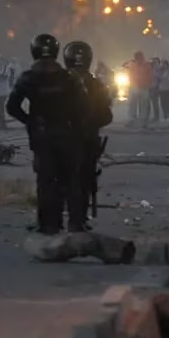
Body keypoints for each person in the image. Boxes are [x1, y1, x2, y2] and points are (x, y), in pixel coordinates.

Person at [7, 34, 87, 234]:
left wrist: (31, 121)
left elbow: (12, 107)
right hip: (67, 133)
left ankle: (48, 224)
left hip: (42, 135)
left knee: (45, 181)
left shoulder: (28, 78)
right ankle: (76, 223)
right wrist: (76, 126)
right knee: (70, 180)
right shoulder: (70, 78)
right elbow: (83, 106)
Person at [63, 41, 113, 226]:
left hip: (63, 140)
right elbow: (107, 115)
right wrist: (91, 124)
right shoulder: (97, 85)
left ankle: (55, 221)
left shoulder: (58, 82)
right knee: (84, 180)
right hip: (87, 140)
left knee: (61, 180)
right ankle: (79, 219)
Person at [0, 54, 15, 128]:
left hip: (3, 91)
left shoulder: (6, 67)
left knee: (1, 106)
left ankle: (2, 123)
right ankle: (1, 122)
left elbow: (3, 76)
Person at [157, 59, 169, 123]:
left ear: (167, 65)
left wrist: (161, 77)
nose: (163, 65)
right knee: (163, 104)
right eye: (162, 64)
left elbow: (168, 79)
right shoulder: (160, 71)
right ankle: (165, 116)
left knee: (168, 103)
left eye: (164, 64)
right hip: (161, 89)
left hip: (167, 89)